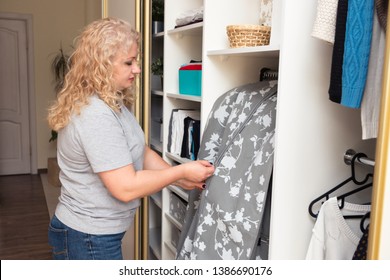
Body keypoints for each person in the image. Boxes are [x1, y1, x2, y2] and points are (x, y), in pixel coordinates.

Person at [47, 17, 214, 260]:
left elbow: (140, 151)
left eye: (136, 60)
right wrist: (180, 174)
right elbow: (125, 188)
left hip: (96, 234)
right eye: (128, 62)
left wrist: (177, 179)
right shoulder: (95, 114)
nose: (137, 69)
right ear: (101, 65)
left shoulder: (112, 101)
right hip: (87, 236)